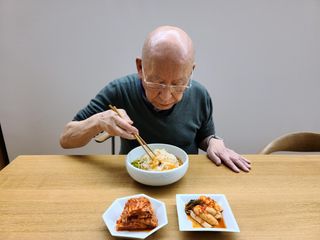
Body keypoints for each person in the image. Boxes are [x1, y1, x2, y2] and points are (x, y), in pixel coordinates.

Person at [60, 25, 251, 173]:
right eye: (156, 83)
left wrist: (213, 142)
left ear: (191, 72)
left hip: (183, 183)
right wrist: (99, 121)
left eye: (178, 84)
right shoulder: (119, 91)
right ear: (140, 68)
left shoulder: (200, 95)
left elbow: (203, 136)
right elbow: (66, 139)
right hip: (132, 181)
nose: (166, 96)